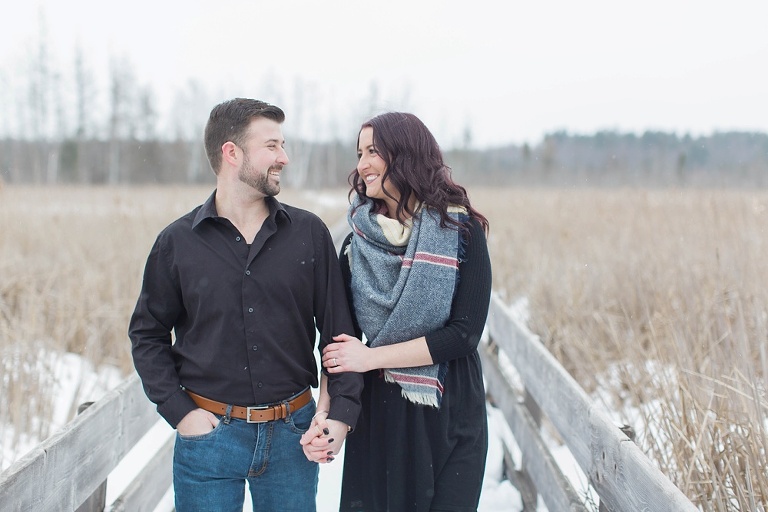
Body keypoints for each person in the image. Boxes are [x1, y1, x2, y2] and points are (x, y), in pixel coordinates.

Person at [128, 98, 362, 512]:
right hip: (209, 439)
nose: (284, 158)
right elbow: (147, 335)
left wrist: (339, 414)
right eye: (271, 146)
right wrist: (181, 413)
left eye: (283, 145)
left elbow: (339, 334)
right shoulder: (177, 243)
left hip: (294, 436)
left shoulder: (308, 234)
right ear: (231, 153)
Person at [319, 112, 493, 511]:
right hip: (382, 414)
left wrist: (371, 357)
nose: (361, 164)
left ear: (406, 154)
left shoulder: (461, 233)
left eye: (373, 151)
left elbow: (464, 333)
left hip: (450, 407)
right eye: (359, 153)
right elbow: (336, 342)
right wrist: (326, 412)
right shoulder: (354, 246)